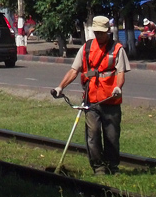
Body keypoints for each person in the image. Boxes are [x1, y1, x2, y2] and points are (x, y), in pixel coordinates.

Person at [51, 15, 131, 175]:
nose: (99, 36)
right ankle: (98, 168)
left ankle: (112, 167)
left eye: (102, 33)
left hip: (111, 100)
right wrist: (60, 87)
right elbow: (74, 70)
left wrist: (118, 87)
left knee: (112, 136)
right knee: (92, 135)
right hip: (91, 100)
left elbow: (121, 72)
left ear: (108, 32)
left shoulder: (117, 49)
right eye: (97, 33)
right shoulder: (86, 48)